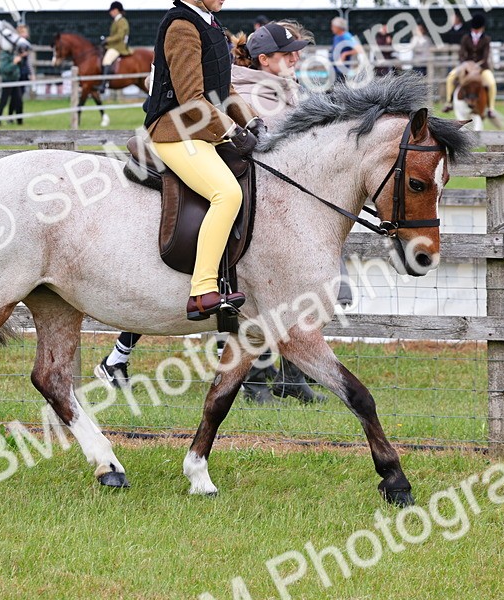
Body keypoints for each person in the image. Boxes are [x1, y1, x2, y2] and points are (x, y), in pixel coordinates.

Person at [100, 20, 339, 404]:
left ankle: (286, 375)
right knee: (230, 227)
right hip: (197, 154)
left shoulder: (279, 88)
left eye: (297, 52)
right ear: (264, 59)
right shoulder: (255, 90)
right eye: (288, 53)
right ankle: (251, 369)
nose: (297, 58)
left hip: (250, 179)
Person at [141, 0, 259, 321]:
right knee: (227, 194)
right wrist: (230, 132)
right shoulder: (181, 26)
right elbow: (192, 102)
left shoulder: (211, 26)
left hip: (200, 130)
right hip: (174, 131)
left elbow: (225, 92)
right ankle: (203, 289)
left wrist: (255, 123)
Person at [443, 13, 497, 117]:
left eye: (478, 29)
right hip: (466, 66)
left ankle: (491, 108)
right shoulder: (465, 38)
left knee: (491, 83)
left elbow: (485, 56)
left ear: (482, 28)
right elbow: (461, 54)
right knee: (450, 77)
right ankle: (449, 102)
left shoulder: (486, 39)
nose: (476, 31)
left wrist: (477, 66)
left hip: (482, 68)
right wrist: (467, 64)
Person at [0, 24, 31, 124]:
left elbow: (20, 65)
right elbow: (4, 69)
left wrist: (21, 58)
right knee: (4, 101)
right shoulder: (4, 55)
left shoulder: (14, 53)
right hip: (7, 81)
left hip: (15, 80)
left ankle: (20, 121)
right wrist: (14, 62)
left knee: (18, 100)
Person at [101, 1, 131, 74]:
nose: (110, 12)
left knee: (107, 60)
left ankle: (105, 83)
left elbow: (119, 36)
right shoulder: (116, 21)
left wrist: (107, 39)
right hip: (113, 45)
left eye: (112, 10)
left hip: (119, 47)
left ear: (116, 10)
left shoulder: (122, 21)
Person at [329, 16, 357, 81]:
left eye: (333, 26)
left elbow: (358, 49)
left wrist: (345, 54)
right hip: (334, 67)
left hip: (342, 69)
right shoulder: (336, 37)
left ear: (338, 27)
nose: (331, 28)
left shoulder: (347, 36)